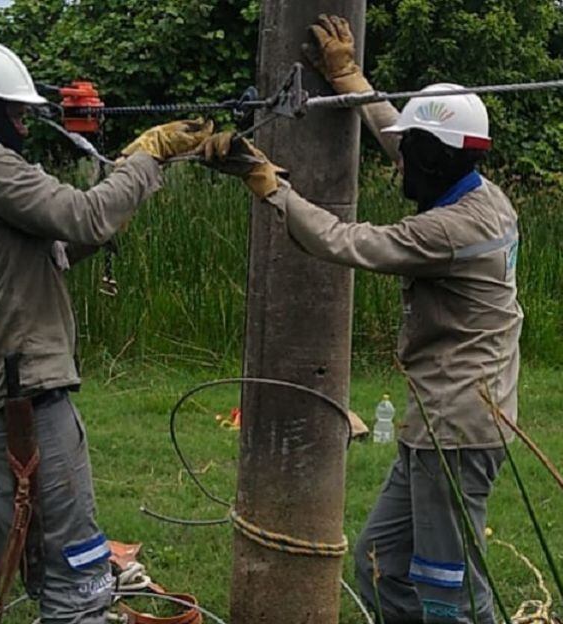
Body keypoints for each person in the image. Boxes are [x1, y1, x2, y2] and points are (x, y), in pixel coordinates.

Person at [201, 14, 523, 624]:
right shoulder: (479, 192)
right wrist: (349, 77)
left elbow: (343, 242)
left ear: (436, 157)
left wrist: (267, 183)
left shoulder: (448, 229)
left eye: (412, 152)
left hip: (458, 427)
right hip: (441, 422)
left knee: (447, 589)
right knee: (380, 565)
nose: (399, 162)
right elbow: (403, 140)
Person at [0, 41, 212, 624]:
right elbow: (85, 215)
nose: (24, 123)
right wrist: (148, 156)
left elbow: (56, 247)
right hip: (20, 398)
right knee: (75, 566)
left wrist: (119, 195)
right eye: (16, 111)